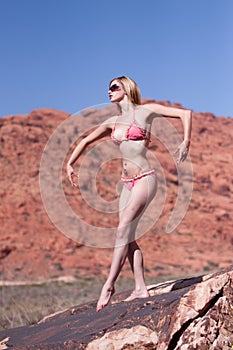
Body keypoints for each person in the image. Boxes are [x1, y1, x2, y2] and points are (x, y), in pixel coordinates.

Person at [66, 76, 192, 311]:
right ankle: (140, 288)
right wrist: (70, 164)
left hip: (145, 178)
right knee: (129, 236)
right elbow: (85, 140)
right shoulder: (112, 121)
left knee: (123, 229)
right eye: (108, 88)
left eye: (114, 87)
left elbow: (185, 114)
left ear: (127, 89)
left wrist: (185, 141)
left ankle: (108, 285)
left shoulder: (145, 112)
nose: (109, 91)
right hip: (126, 183)